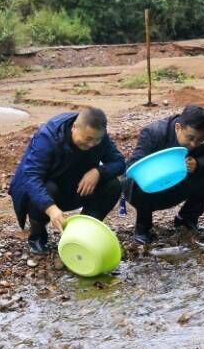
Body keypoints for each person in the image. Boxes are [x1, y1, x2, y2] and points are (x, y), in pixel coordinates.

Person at [8, 107, 125, 253]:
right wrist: (51, 209)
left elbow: (120, 163)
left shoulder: (98, 136)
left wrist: (98, 172)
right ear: (74, 127)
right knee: (47, 188)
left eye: (97, 140)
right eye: (88, 139)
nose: (92, 144)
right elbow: (31, 177)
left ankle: (84, 232)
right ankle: (37, 236)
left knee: (113, 185)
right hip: (50, 190)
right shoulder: (48, 137)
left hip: (78, 188)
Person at [124, 105, 204, 243]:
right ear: (178, 128)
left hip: (175, 186)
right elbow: (132, 166)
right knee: (138, 180)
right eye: (190, 138)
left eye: (199, 140)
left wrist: (197, 164)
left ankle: (186, 220)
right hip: (149, 190)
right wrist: (157, 166)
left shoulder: (197, 140)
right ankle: (143, 228)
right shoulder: (153, 133)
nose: (194, 144)